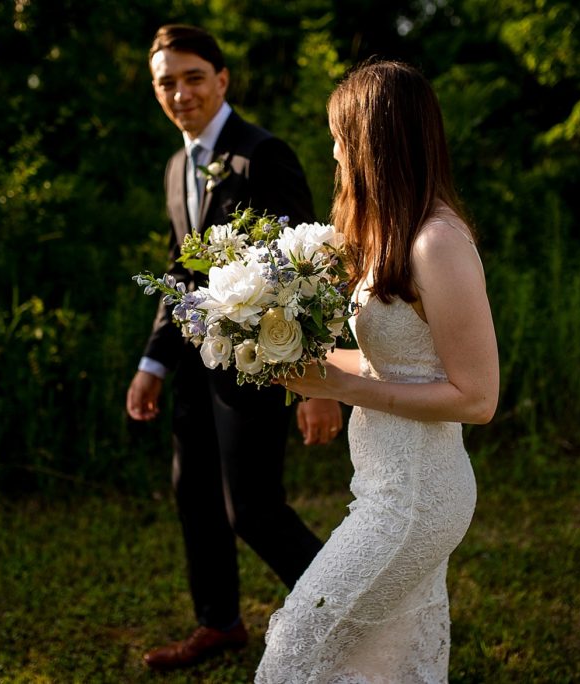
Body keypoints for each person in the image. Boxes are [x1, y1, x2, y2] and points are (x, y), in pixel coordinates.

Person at [256, 60, 499, 682]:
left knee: (298, 643)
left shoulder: (436, 243)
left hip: (416, 498)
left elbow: (477, 398)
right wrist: (280, 356)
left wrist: (344, 389)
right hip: (384, 485)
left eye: (340, 137)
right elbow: (390, 363)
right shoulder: (392, 238)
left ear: (373, 141)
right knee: (385, 662)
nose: (334, 152)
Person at [126, 24, 344, 670]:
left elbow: (305, 276)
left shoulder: (261, 155)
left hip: (258, 364)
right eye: (167, 81)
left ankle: (350, 614)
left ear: (223, 79)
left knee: (253, 509)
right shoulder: (176, 166)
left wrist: (312, 382)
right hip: (196, 360)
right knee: (192, 492)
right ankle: (219, 623)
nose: (181, 92)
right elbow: (180, 271)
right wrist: (153, 361)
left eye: (194, 77)